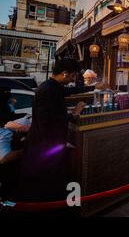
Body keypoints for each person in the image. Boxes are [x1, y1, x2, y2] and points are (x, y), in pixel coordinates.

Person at [17, 59, 108, 203]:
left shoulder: (53, 86)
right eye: (72, 76)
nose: (73, 79)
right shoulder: (47, 90)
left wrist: (93, 87)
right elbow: (47, 121)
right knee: (43, 190)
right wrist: (74, 114)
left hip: (50, 146)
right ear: (65, 73)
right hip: (43, 148)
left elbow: (69, 91)